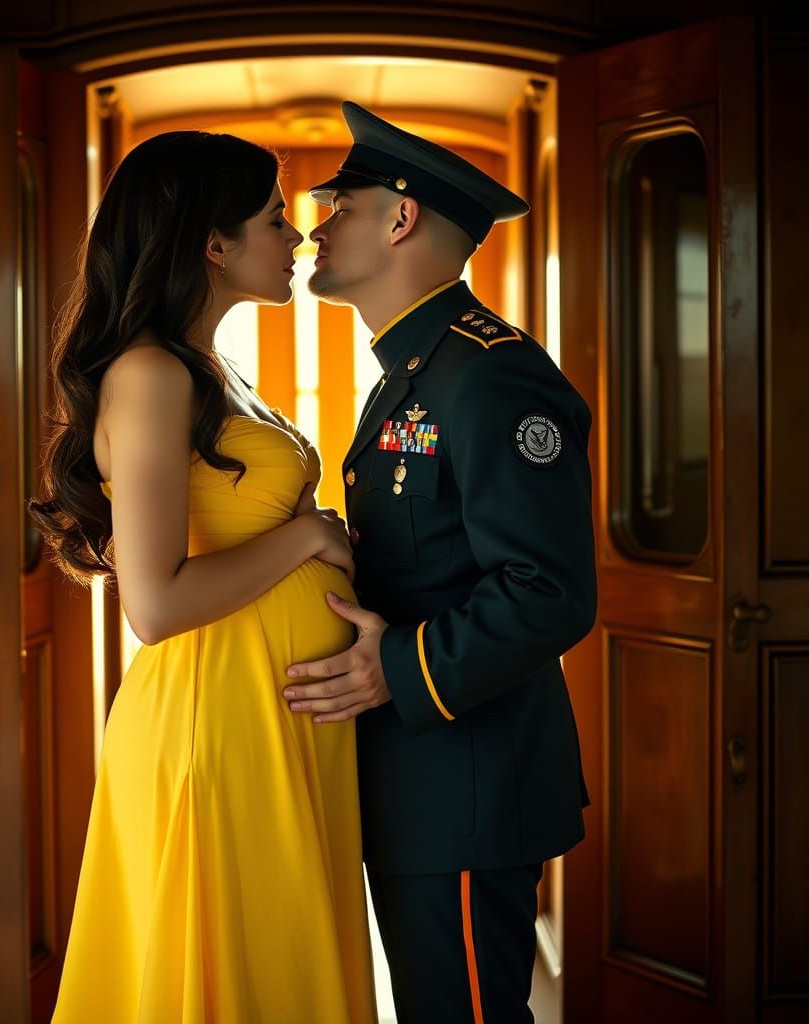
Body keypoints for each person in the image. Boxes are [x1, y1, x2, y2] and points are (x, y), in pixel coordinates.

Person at [29, 130, 377, 1023]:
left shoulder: (210, 370)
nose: (298, 238)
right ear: (215, 245)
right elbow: (153, 604)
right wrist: (307, 542)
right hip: (215, 725)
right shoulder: (150, 375)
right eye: (274, 218)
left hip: (271, 717)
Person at [282, 101, 597, 1023]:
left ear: (401, 218)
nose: (319, 229)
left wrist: (394, 669)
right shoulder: (413, 367)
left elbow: (550, 592)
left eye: (341, 206)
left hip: (466, 779)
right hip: (425, 777)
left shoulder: (490, 372)